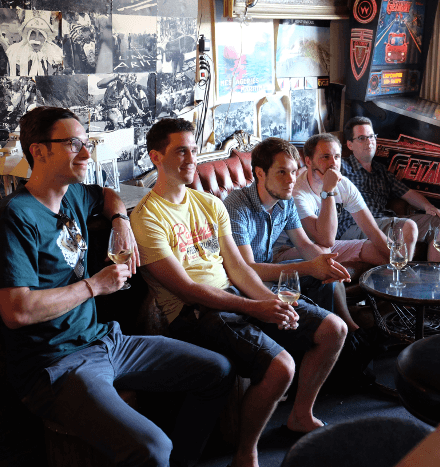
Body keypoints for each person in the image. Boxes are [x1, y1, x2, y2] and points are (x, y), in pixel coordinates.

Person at [0, 107, 233, 467]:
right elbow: (17, 311)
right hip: (55, 364)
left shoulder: (72, 195)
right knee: (152, 447)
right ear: (39, 151)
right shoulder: (13, 217)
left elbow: (108, 194)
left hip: (104, 341)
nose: (87, 154)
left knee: (217, 370)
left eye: (87, 143)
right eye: (74, 144)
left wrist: (120, 222)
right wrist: (93, 286)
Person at [130, 119, 347, 467]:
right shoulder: (146, 218)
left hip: (233, 295)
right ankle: (245, 454)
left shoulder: (209, 204)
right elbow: (188, 290)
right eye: (181, 151)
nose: (191, 159)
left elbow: (239, 269)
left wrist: (269, 301)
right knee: (281, 367)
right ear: (156, 157)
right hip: (193, 314)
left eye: (193, 149)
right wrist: (255, 307)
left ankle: (300, 414)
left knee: (333, 329)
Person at [223, 137, 356, 331]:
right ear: (260, 173)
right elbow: (248, 269)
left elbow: (304, 244)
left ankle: (349, 330)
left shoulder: (285, 201)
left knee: (328, 279)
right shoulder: (236, 206)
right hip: (245, 283)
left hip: (269, 272)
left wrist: (327, 265)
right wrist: (310, 267)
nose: (291, 179)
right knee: (313, 280)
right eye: (282, 172)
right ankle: (334, 330)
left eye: (294, 172)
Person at [341, 116, 440, 262]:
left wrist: (428, 206)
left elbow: (408, 193)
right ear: (350, 145)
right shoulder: (342, 167)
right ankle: (402, 275)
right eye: (361, 138)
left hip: (383, 221)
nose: (369, 142)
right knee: (407, 226)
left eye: (371, 136)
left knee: (439, 223)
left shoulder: (381, 171)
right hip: (353, 225)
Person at [288, 132, 390, 266]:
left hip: (322, 247)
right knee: (324, 251)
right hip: (291, 249)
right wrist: (328, 190)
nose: (333, 163)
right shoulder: (297, 193)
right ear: (308, 161)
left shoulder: (344, 184)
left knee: (378, 250)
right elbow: (326, 240)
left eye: (337, 157)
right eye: (326, 157)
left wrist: (401, 263)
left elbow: (373, 231)